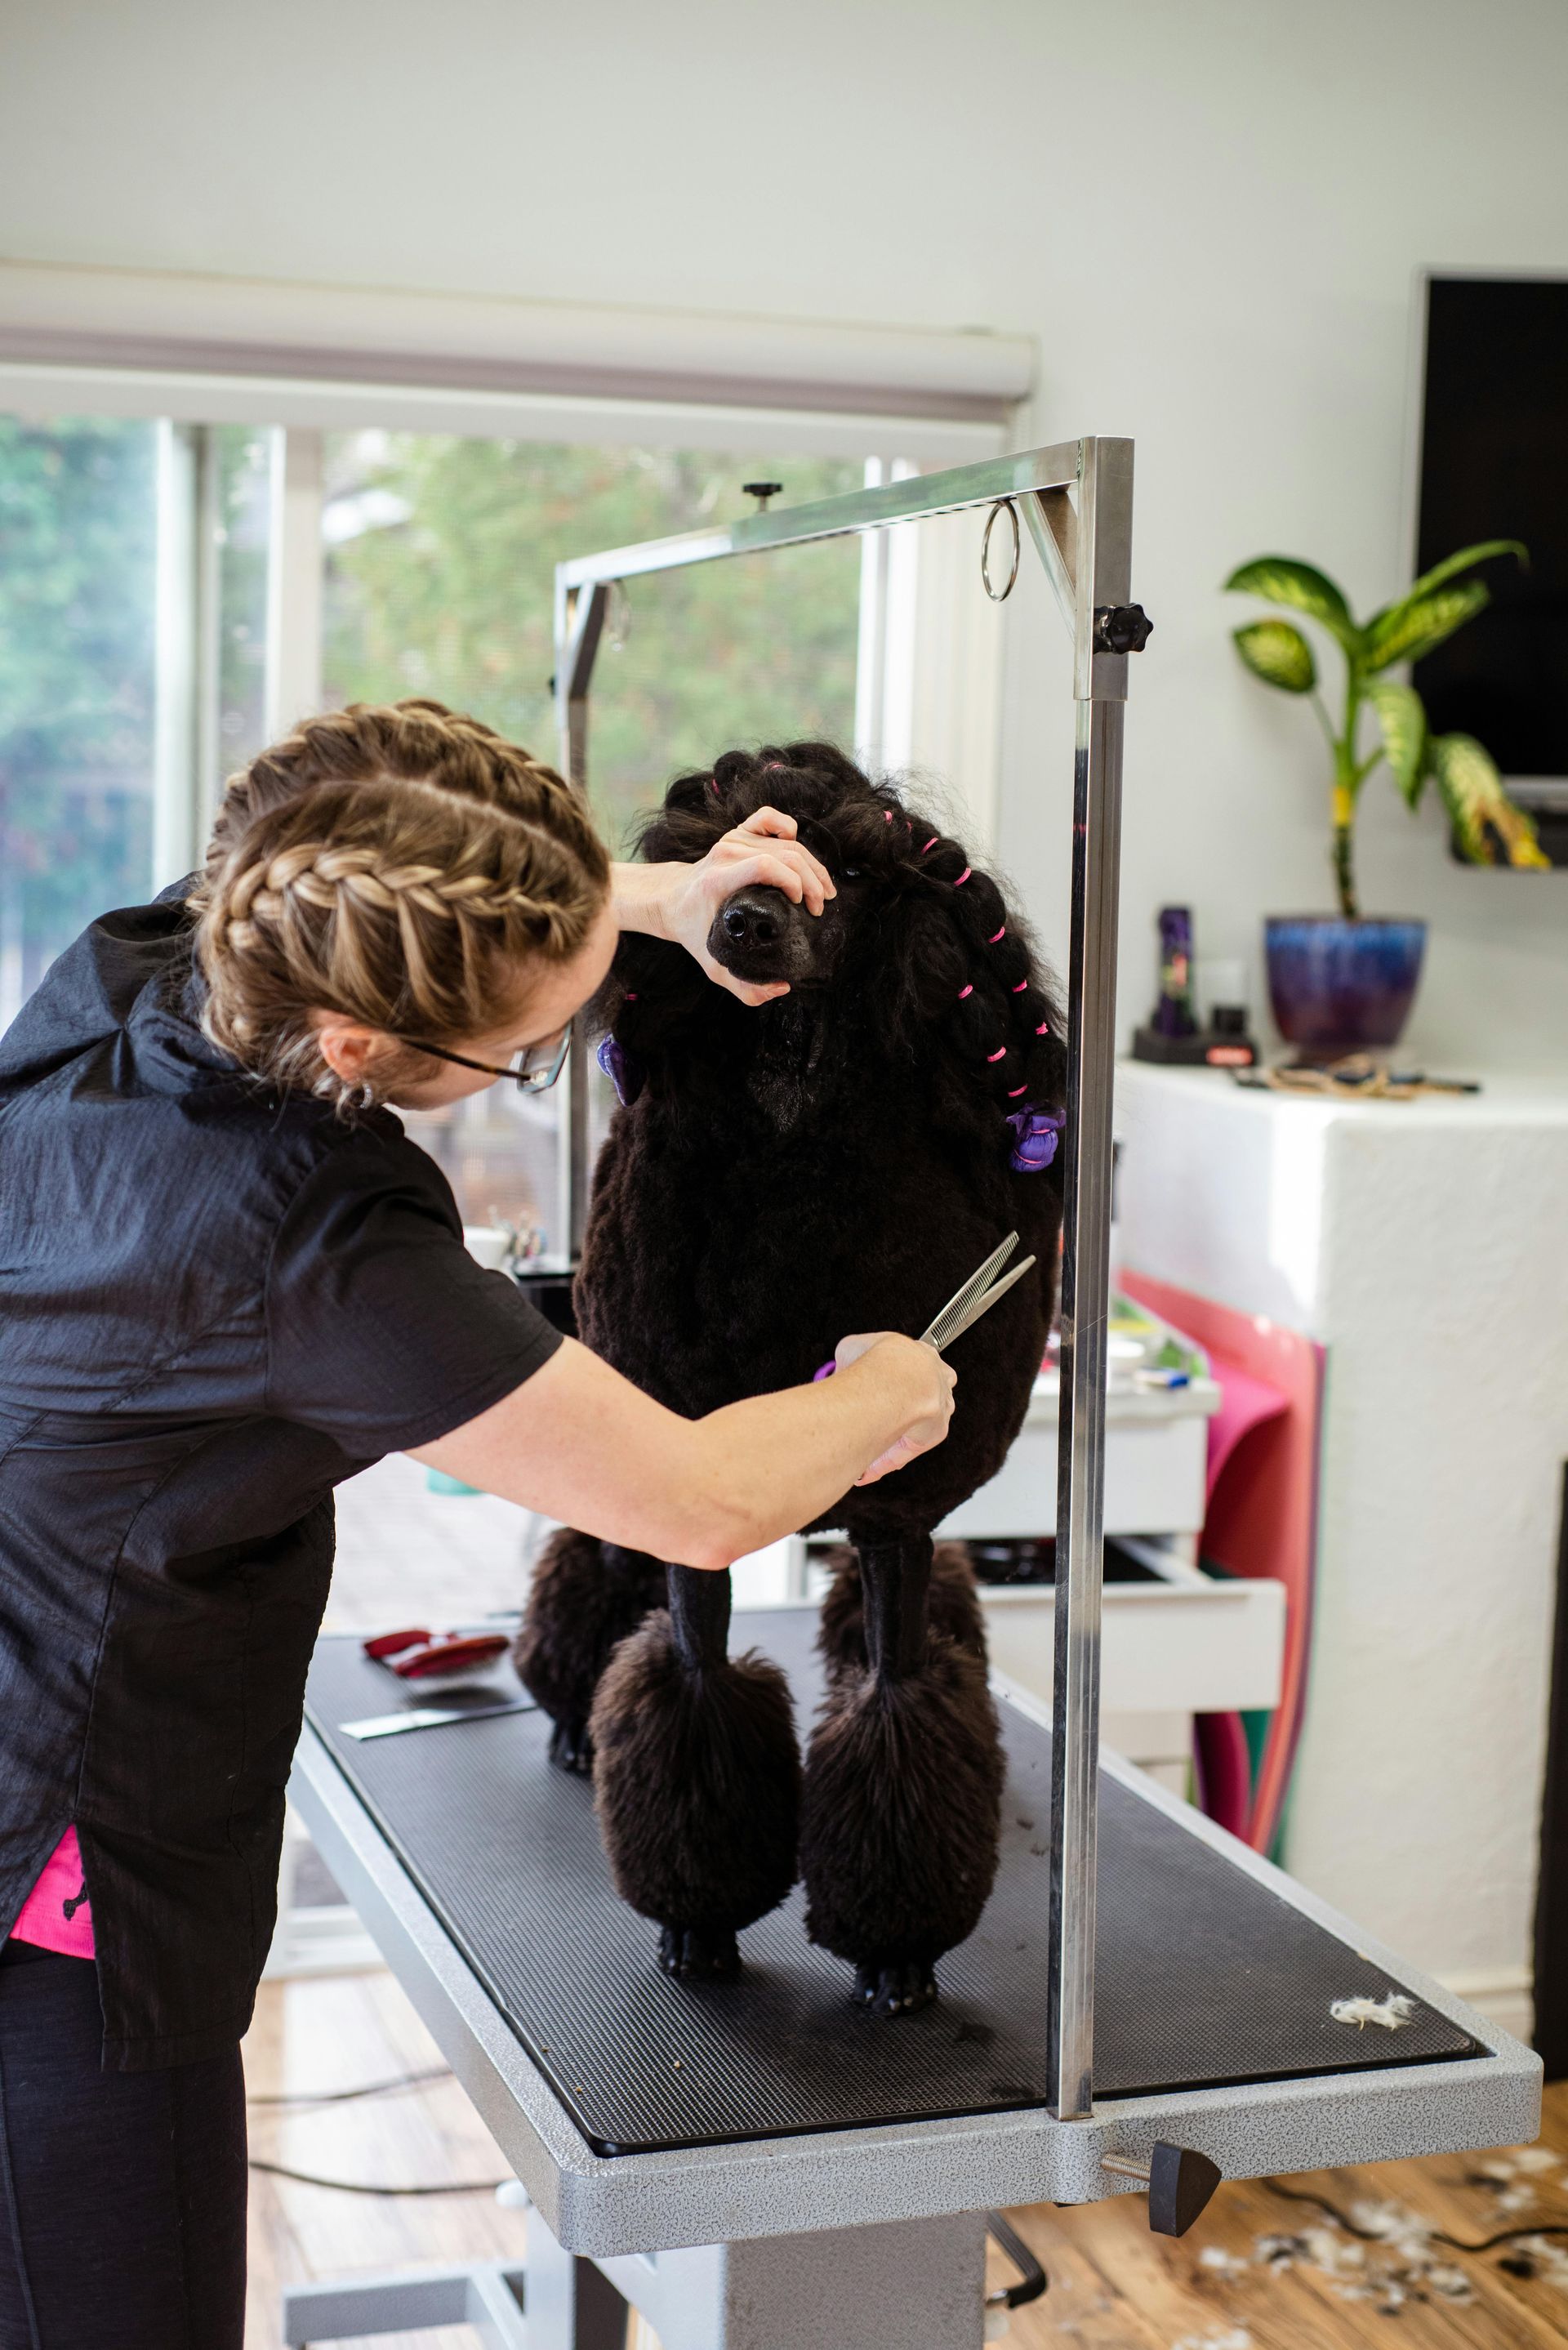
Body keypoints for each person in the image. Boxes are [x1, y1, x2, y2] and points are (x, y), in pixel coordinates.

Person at [0, 698, 955, 2348]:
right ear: (363, 1047)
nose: (548, 1051)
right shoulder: (316, 1245)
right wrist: (889, 1383)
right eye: (528, 1042)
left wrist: (648, 896)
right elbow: (707, 1496)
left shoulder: (160, 956)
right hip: (61, 1875)